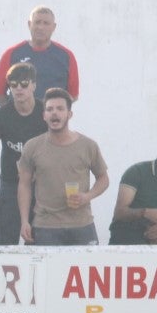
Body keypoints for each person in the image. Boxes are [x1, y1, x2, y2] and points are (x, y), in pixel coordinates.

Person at [18, 88, 109, 246]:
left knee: (86, 264)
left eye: (60, 108)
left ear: (69, 114)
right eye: (50, 109)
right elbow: (24, 184)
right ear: (44, 115)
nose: (54, 113)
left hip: (82, 224)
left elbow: (103, 179)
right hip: (45, 226)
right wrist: (24, 221)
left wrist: (87, 196)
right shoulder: (32, 146)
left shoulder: (88, 145)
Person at [0, 62, 47, 244]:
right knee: (4, 240)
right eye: (13, 84)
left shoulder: (46, 113)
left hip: (41, 184)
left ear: (34, 85)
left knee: (40, 239)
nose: (19, 88)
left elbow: (59, 147)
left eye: (24, 84)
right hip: (10, 183)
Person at [108, 134, 157, 245]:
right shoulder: (137, 172)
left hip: (156, 245)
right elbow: (119, 212)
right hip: (125, 242)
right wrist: (145, 212)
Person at [0, 6, 79, 105]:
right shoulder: (11, 54)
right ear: (29, 24)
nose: (40, 27)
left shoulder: (66, 56)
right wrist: (15, 111)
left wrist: (55, 110)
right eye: (37, 22)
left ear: (54, 27)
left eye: (46, 23)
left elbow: (73, 95)